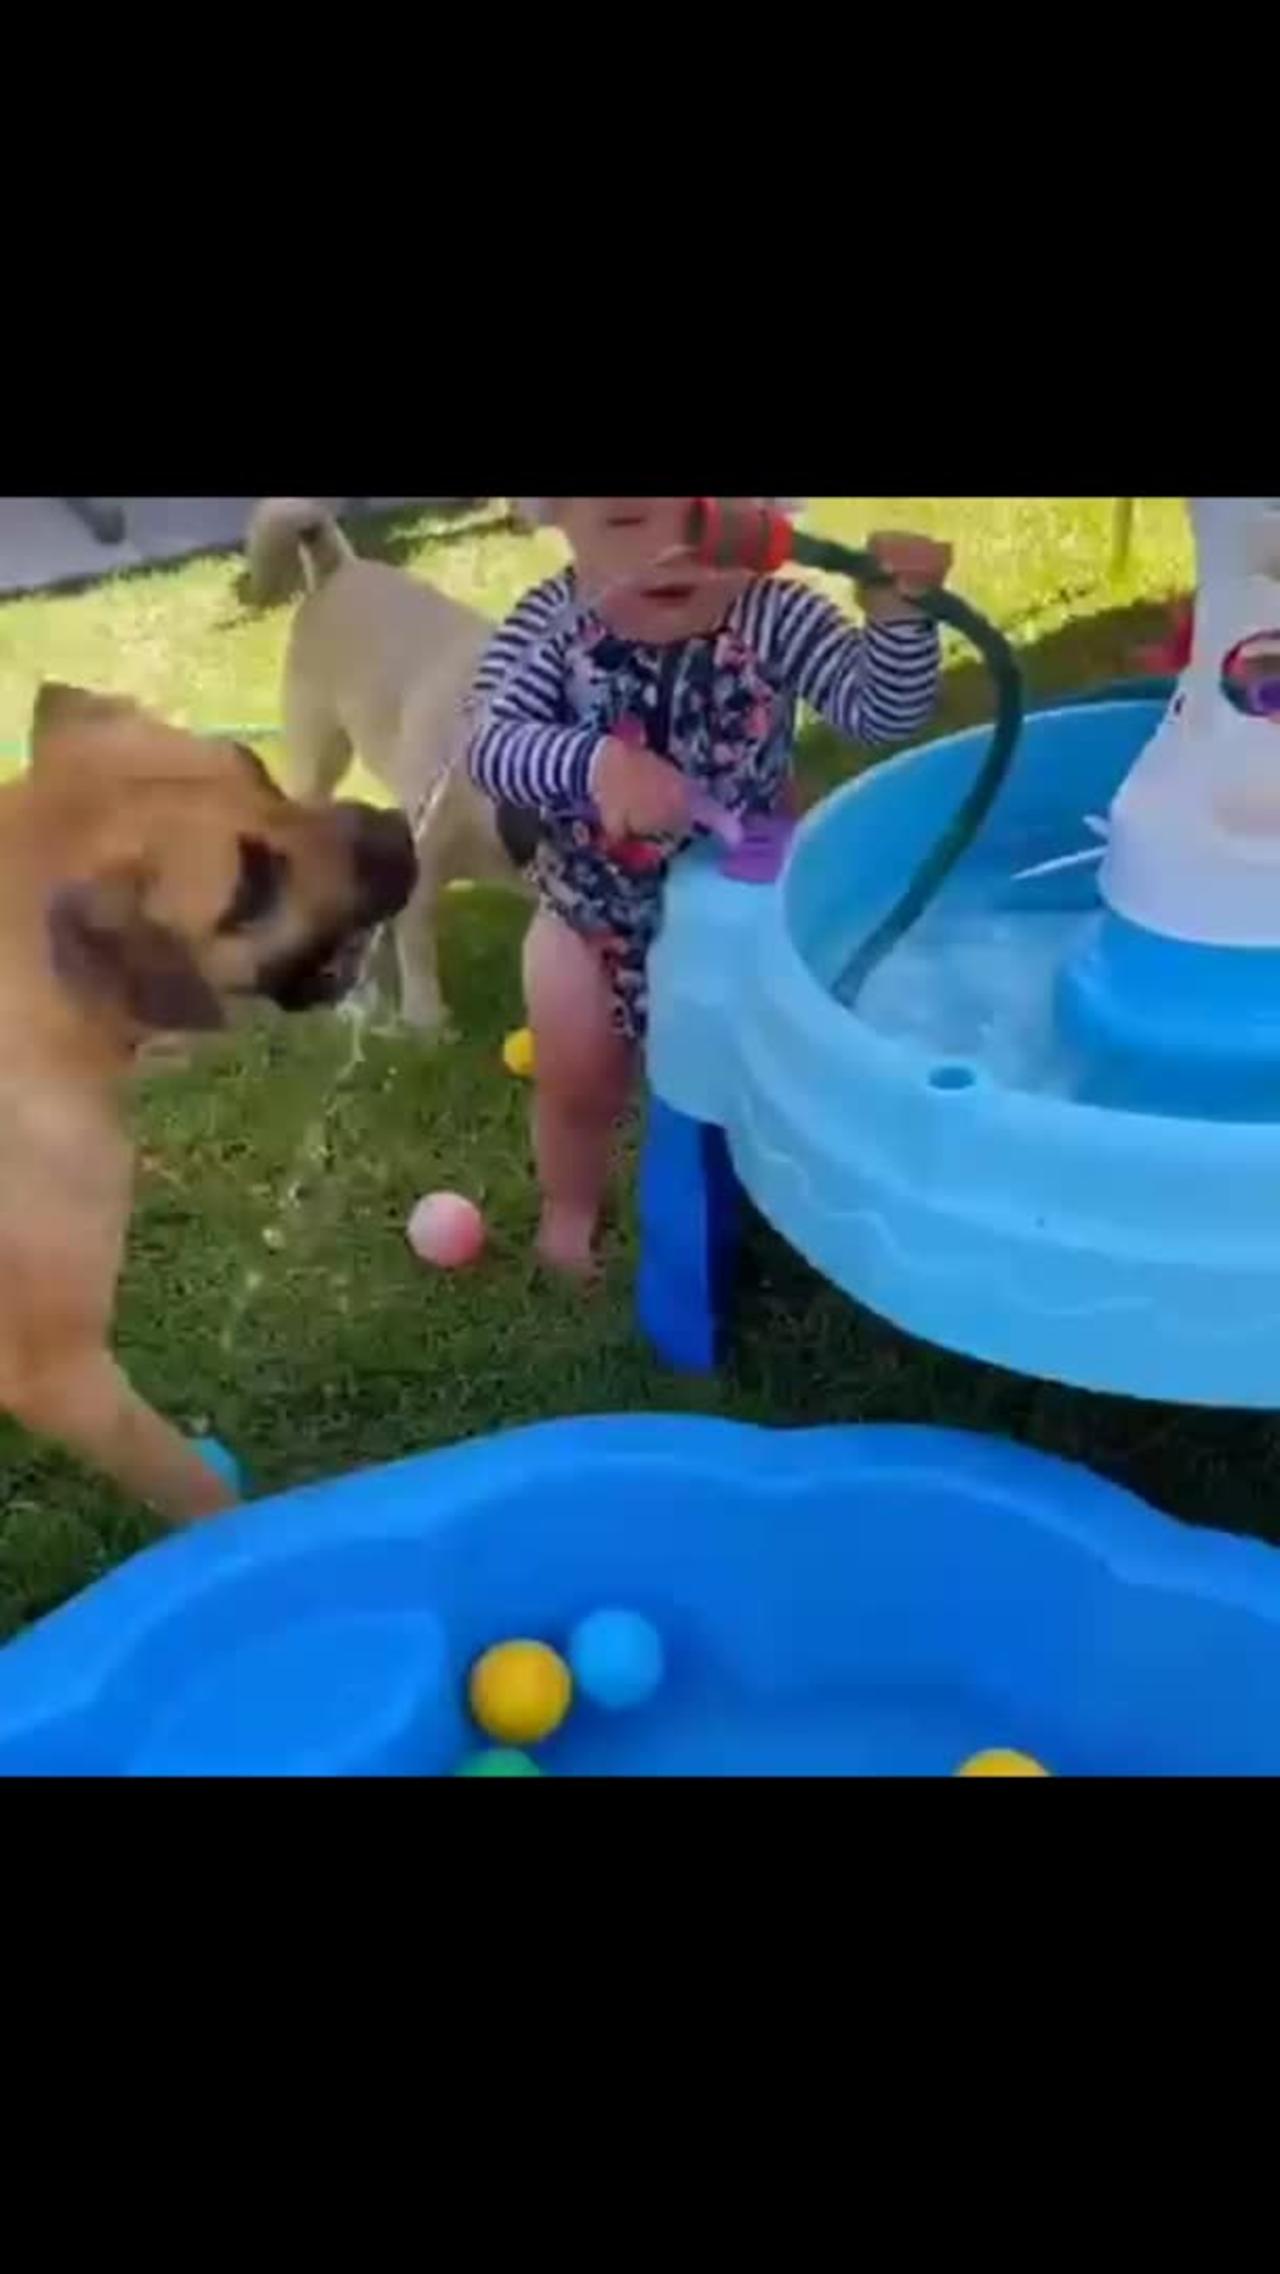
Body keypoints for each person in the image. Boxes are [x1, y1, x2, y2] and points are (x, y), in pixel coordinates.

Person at [466, 498, 952, 1280]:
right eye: (627, 521)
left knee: (758, 1076)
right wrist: (596, 766)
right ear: (557, 517)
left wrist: (899, 621)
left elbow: (881, 715)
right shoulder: (552, 624)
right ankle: (570, 1208)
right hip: (591, 917)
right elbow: (487, 744)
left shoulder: (772, 616)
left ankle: (759, 1201)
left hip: (737, 919)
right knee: (576, 1079)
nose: (671, 553)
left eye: (705, 520)